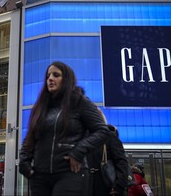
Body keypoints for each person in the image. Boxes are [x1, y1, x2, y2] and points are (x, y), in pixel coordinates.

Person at [19, 61, 110, 196]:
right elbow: (30, 138)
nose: (50, 78)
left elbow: (103, 131)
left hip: (70, 173)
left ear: (66, 79)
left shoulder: (80, 102)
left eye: (56, 75)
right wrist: (24, 163)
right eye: (48, 76)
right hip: (39, 176)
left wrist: (78, 151)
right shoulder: (41, 107)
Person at [88, 123, 129, 196]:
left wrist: (119, 185)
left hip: (107, 186)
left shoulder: (109, 136)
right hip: (87, 186)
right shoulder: (82, 138)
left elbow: (121, 161)